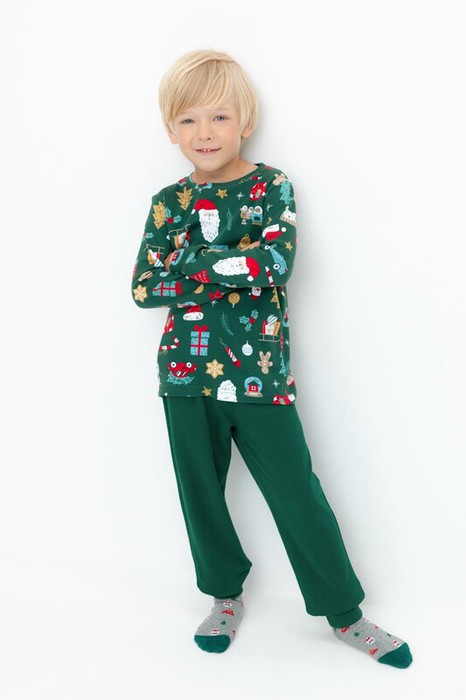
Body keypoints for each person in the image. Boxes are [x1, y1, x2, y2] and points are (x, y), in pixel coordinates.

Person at [131, 49, 412, 668]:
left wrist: (192, 263)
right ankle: (223, 596)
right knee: (200, 494)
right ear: (170, 130)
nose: (204, 132)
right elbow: (145, 288)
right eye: (187, 120)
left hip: (260, 376)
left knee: (297, 494)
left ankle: (345, 614)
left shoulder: (270, 185)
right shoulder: (167, 202)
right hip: (185, 376)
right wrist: (237, 264)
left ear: (245, 122)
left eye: (219, 117)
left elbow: (276, 263)